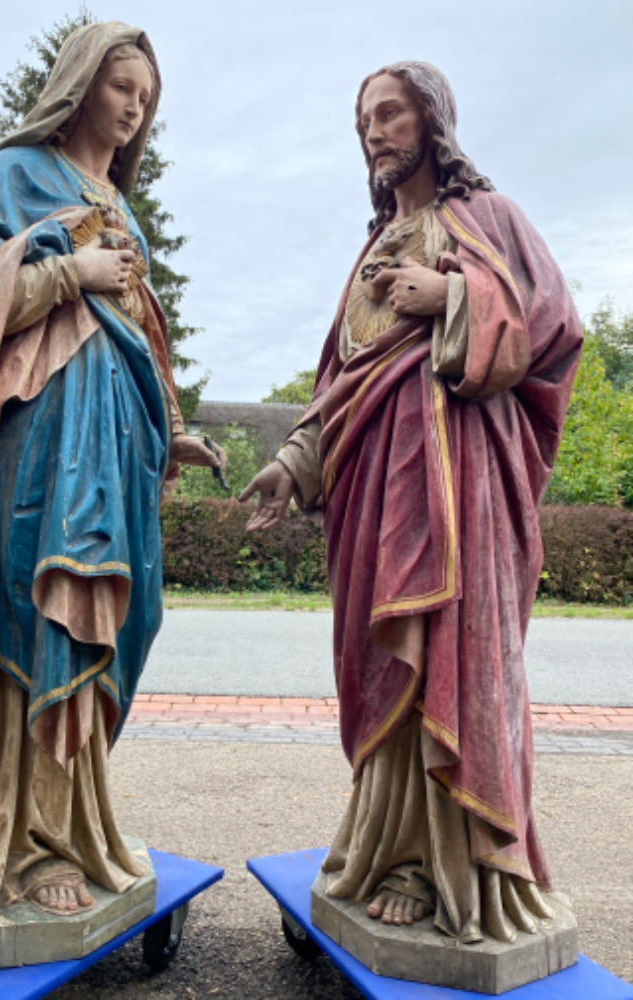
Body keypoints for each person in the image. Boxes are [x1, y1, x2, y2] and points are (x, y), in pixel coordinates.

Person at [240, 62, 582, 944]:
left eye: (389, 114)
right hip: (373, 493)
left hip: (460, 485)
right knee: (388, 663)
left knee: (452, 659)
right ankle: (392, 853)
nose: (373, 131)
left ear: (432, 122)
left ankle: (456, 870)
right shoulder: (372, 250)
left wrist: (454, 297)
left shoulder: (491, 218)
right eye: (364, 120)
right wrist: (294, 461)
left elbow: (554, 327)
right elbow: (341, 378)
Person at [0, 21, 223, 926]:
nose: (134, 109)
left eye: (146, 99)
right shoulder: (13, 177)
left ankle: (73, 826)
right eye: (123, 87)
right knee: (41, 603)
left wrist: (174, 431)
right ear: (81, 84)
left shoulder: (123, 213)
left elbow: (144, 342)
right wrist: (67, 273)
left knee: (117, 615)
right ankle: (25, 841)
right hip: (37, 439)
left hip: (117, 447)